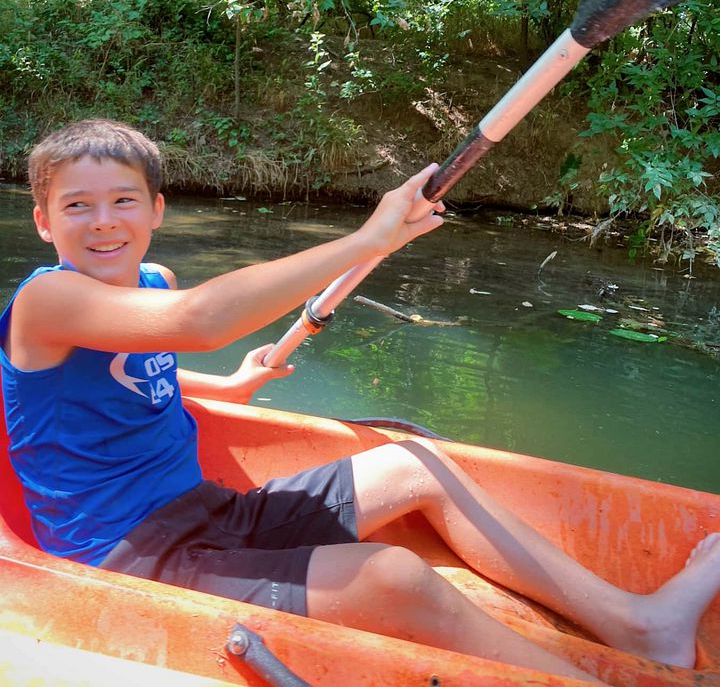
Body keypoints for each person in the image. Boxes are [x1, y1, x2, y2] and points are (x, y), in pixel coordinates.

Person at [1, 118, 718, 685]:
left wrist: (225, 387)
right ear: (43, 223)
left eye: (123, 200)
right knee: (394, 579)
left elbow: (132, 368)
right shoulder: (47, 300)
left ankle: (635, 624)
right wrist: (365, 238)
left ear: (156, 209)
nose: (102, 223)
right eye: (77, 207)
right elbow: (199, 324)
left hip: (207, 511)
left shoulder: (151, 279)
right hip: (130, 558)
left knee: (415, 464)